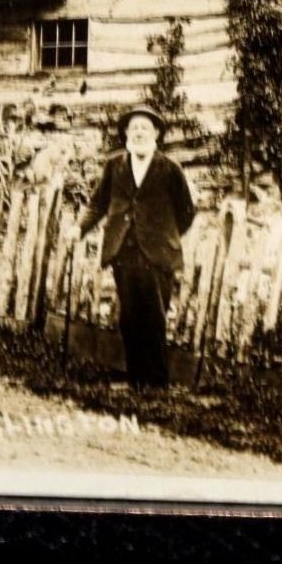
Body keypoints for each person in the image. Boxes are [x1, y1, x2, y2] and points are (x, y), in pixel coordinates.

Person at [77, 105, 196, 389]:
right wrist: (79, 228)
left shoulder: (170, 170)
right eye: (134, 128)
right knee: (129, 319)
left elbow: (187, 212)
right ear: (126, 134)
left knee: (154, 319)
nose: (139, 132)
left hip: (157, 257)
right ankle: (135, 380)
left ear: (156, 133)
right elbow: (98, 203)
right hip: (123, 252)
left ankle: (156, 384)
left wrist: (164, 236)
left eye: (145, 127)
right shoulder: (114, 165)